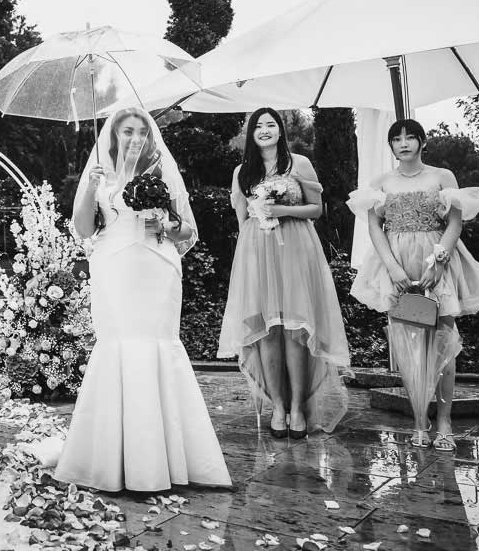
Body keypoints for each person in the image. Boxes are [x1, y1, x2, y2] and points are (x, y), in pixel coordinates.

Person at [55, 106, 231, 492]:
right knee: (118, 346)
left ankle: (167, 456)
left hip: (157, 267)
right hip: (114, 269)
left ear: (150, 137)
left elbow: (186, 232)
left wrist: (169, 225)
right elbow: (83, 228)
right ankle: (112, 456)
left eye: (141, 132)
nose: (135, 138)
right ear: (114, 136)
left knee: (158, 345)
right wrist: (89, 186)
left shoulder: (162, 173)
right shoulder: (100, 176)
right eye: (127, 132)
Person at [349, 118, 479, 451]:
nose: (403, 143)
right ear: (391, 146)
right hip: (397, 263)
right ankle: (419, 419)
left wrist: (440, 261)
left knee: (445, 338)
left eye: (410, 137)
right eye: (397, 139)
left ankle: (444, 421)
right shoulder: (381, 182)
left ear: (422, 142)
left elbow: (454, 222)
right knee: (409, 341)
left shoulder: (441, 176)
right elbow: (375, 228)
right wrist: (393, 268)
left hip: (436, 260)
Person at [218, 108, 351, 439]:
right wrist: (250, 253)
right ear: (251, 133)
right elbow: (241, 218)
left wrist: (281, 210)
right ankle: (276, 405)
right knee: (266, 331)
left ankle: (296, 408)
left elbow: (317, 209)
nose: (264, 130)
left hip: (294, 248)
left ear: (281, 130)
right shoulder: (242, 171)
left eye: (270, 125)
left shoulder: (299, 164)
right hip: (258, 252)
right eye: (258, 126)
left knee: (295, 329)